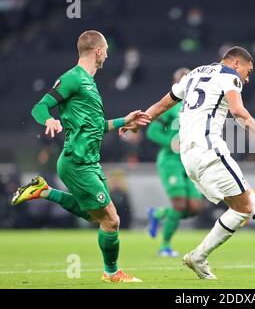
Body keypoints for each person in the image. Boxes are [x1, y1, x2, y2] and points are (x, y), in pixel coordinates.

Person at [120, 46, 255, 280]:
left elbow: (161, 105)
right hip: (210, 151)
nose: (247, 79)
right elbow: (238, 112)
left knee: (242, 208)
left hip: (188, 157)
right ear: (236, 64)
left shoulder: (194, 74)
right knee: (249, 205)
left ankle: (200, 257)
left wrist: (139, 121)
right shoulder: (230, 75)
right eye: (248, 72)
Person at [10, 30, 150, 283]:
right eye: (106, 49)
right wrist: (50, 119)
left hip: (90, 162)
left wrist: (123, 120)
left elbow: (95, 125)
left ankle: (44, 191)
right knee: (112, 220)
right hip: (76, 162)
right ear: (98, 50)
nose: (107, 53)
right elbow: (39, 107)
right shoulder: (72, 78)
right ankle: (112, 273)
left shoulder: (88, 82)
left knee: (96, 217)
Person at [146, 67, 204, 257]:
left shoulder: (200, 106)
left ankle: (158, 214)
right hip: (171, 161)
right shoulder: (170, 106)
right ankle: (165, 246)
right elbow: (152, 131)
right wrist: (171, 143)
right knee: (179, 205)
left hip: (191, 160)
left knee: (194, 208)